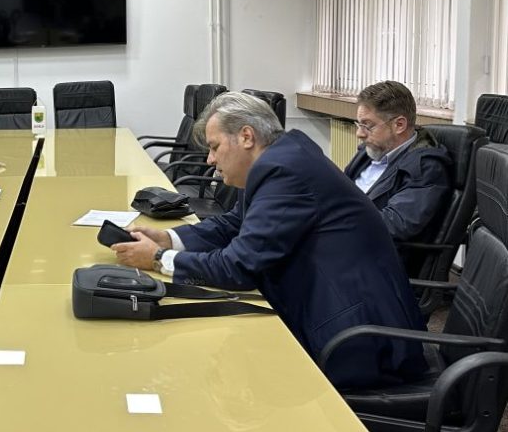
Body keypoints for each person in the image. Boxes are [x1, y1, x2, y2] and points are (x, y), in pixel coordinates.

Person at [113, 92, 427, 390]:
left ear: (246, 137)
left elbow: (238, 268)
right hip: (330, 313)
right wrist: (168, 239)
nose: (209, 159)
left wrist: (158, 259)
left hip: (356, 340)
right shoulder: (279, 158)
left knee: (219, 361)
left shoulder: (284, 171)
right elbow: (235, 223)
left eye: (215, 147)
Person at [343, 81, 452, 255]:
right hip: (346, 241)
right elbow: (340, 188)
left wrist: (336, 215)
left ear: (399, 125)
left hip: (373, 256)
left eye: (367, 125)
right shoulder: (370, 151)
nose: (359, 134)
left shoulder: (425, 168)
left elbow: (393, 224)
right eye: (359, 125)